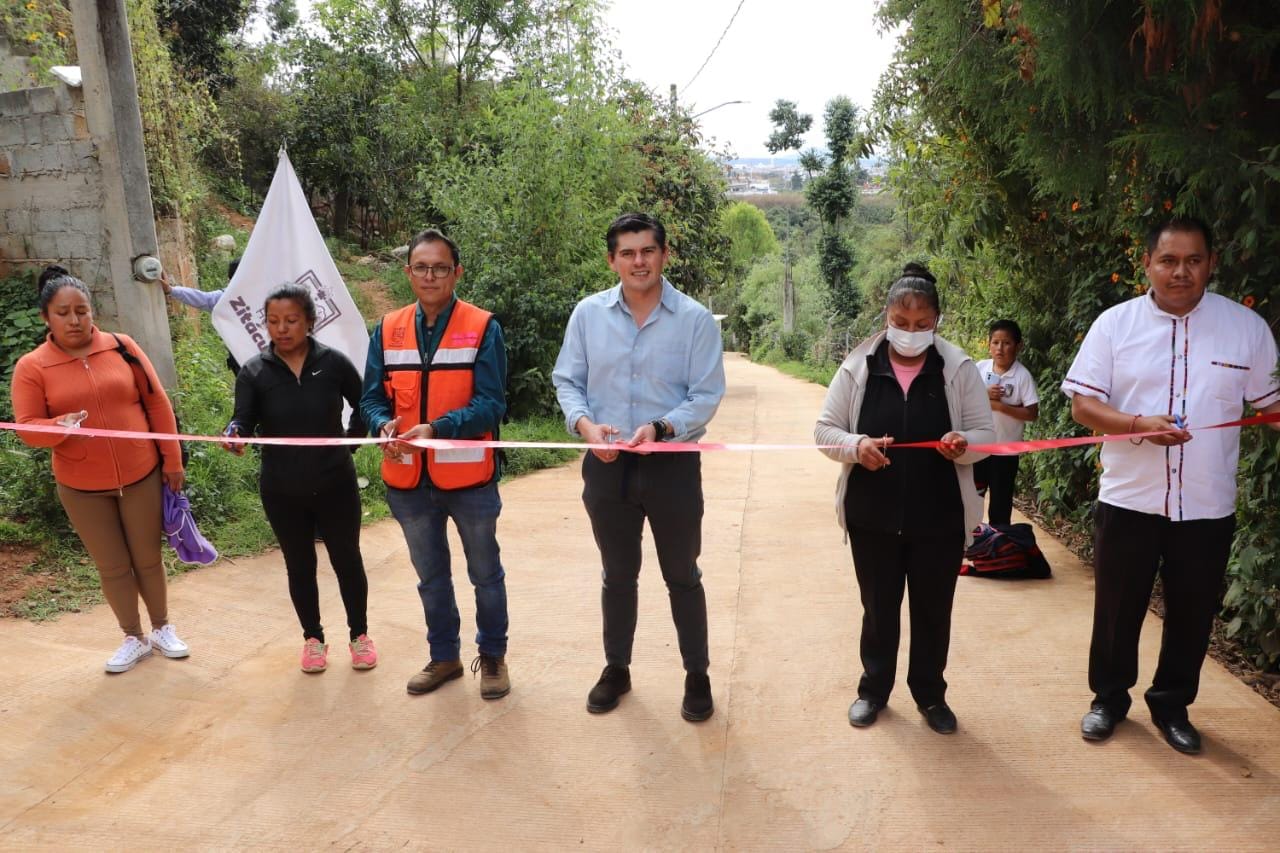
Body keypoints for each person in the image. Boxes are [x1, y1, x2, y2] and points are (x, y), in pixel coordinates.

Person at [1062, 217, 1280, 755]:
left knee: (1191, 609)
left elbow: (1271, 405)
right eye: (1169, 260)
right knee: (1117, 607)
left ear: (1211, 263)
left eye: (1193, 260)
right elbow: (1083, 404)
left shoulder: (1246, 329)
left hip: (1206, 504)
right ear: (1148, 265)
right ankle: (1108, 701)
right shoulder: (1115, 325)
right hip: (1129, 498)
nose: (1180, 272)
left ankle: (1172, 705)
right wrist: (1137, 425)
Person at [552, 212, 726, 722]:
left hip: (671, 466)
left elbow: (706, 395)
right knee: (617, 574)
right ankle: (617, 669)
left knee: (682, 574)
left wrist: (662, 428)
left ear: (664, 255)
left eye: (647, 251)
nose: (638, 261)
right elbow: (568, 381)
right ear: (612, 260)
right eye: (627, 253)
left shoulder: (694, 319)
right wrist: (584, 426)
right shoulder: (587, 315)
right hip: (605, 466)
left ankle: (697, 675)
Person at [814, 263, 995, 734]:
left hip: (939, 519)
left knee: (934, 612)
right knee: (878, 609)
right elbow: (823, 431)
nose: (909, 333)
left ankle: (931, 696)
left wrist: (963, 444)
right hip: (872, 517)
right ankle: (872, 691)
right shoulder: (858, 368)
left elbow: (986, 436)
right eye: (900, 322)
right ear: (886, 316)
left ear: (937, 322)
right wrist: (857, 446)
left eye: (921, 325)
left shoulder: (956, 369)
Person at [11, 265, 189, 673]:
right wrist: (58, 426)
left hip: (141, 474)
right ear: (46, 317)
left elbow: (157, 404)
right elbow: (27, 428)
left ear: (92, 311)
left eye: (82, 310)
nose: (75, 320)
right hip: (81, 485)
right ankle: (133, 637)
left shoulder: (122, 347)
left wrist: (172, 459)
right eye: (63, 312)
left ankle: (162, 628)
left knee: (147, 558)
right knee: (112, 565)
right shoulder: (32, 367)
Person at [360, 229, 511, 700]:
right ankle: (443, 656)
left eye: (440, 267)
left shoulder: (483, 327)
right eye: (421, 267)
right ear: (408, 273)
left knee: (485, 574)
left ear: (456, 273)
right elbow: (369, 399)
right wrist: (383, 426)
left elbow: (492, 404)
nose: (430, 276)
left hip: (470, 478)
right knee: (431, 577)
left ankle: (493, 657)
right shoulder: (386, 329)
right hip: (408, 481)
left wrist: (437, 428)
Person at [223, 283, 375, 673]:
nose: (282, 329)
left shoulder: (334, 363)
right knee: (299, 564)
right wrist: (235, 434)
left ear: (309, 321)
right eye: (273, 321)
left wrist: (350, 445)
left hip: (335, 483)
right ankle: (313, 639)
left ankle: (359, 636)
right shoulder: (255, 371)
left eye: (291, 320)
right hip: (281, 487)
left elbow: (365, 406)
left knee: (346, 559)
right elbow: (242, 418)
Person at [973, 319, 1039, 525]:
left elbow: (1032, 413)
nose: (1000, 348)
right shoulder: (979, 368)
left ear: (1018, 346)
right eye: (995, 342)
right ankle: (970, 543)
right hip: (978, 448)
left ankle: (998, 549)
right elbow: (962, 398)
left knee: (1000, 504)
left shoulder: (1022, 376)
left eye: (1006, 343)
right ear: (989, 344)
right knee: (973, 499)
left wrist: (1000, 406)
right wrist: (983, 394)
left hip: (1006, 452)